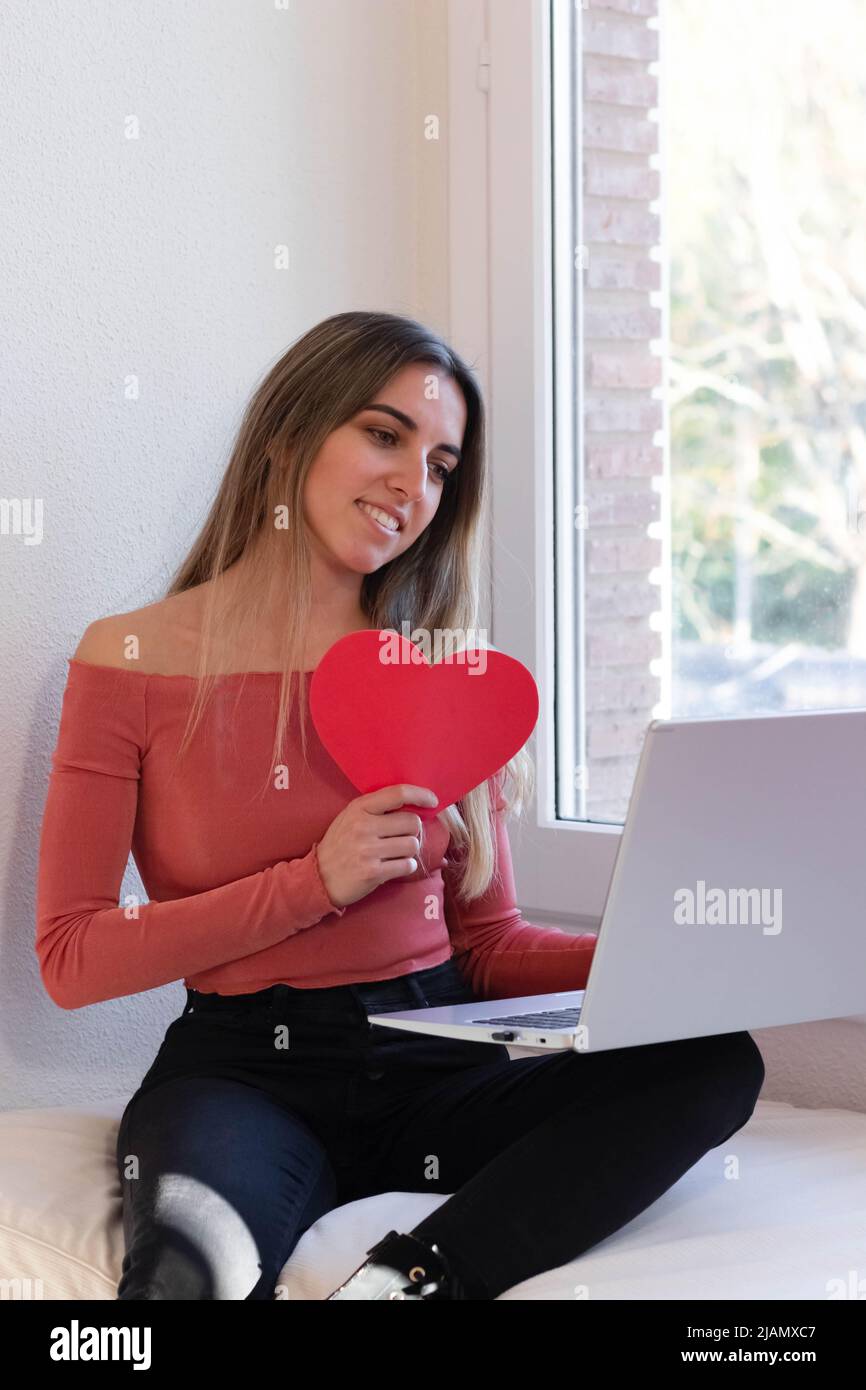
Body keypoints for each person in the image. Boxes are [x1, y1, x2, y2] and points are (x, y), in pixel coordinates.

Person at [35, 310, 765, 1301]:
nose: (410, 484)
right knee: (182, 1279)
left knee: (712, 1062)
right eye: (384, 435)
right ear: (289, 433)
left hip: (437, 1059)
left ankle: (412, 1284)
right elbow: (72, 958)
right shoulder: (127, 660)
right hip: (243, 1076)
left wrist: (676, 949)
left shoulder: (438, 672)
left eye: (439, 465)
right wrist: (310, 882)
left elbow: (487, 946)